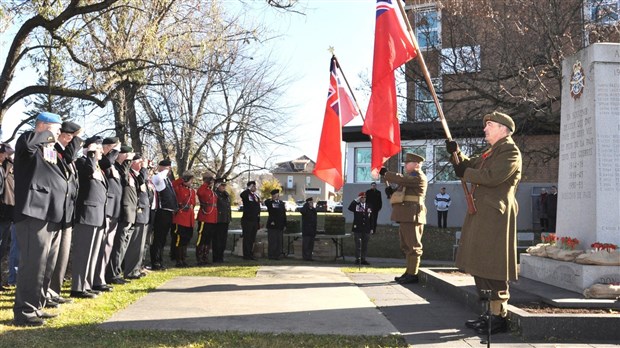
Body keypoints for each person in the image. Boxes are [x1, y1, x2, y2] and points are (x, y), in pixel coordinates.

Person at [446, 110, 522, 335]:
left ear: (502, 129)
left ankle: (499, 316)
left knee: (493, 264)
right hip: (482, 214)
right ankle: (490, 312)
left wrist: (465, 171)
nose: (485, 129)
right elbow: (472, 165)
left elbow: (491, 177)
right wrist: (456, 152)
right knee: (480, 263)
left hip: (495, 217)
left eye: (489, 125)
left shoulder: (510, 152)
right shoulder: (493, 152)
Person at [12, 112, 67, 326]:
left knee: (45, 264)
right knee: (32, 263)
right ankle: (24, 312)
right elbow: (28, 145)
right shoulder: (28, 140)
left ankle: (36, 306)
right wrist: (48, 134)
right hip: (33, 212)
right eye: (57, 127)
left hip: (51, 212)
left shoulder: (48, 150)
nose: (59, 132)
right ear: (43, 125)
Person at [45, 121, 81, 306]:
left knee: (61, 255)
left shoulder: (66, 154)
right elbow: (67, 158)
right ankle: (46, 292)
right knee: (51, 256)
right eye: (69, 136)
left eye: (72, 137)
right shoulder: (54, 151)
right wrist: (76, 142)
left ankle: (54, 290)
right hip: (55, 210)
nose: (71, 140)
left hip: (67, 211)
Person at [379, 153, 427, 285]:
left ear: (416, 164)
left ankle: (413, 274)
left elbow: (401, 179)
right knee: (406, 245)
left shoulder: (418, 176)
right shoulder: (409, 178)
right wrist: (392, 192)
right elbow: (402, 193)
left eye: (408, 162)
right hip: (406, 215)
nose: (405, 164)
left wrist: (386, 173)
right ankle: (409, 271)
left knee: (413, 246)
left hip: (413, 215)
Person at [71, 136, 108, 299]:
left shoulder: (98, 166)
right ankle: (77, 287)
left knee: (92, 253)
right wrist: (91, 155)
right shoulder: (82, 163)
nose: (101, 153)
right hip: (86, 213)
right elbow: (87, 173)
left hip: (98, 214)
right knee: (83, 252)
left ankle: (86, 284)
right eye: (98, 149)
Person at [107, 145, 138, 285]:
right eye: (126, 155)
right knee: (118, 244)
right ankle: (112, 273)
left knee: (123, 244)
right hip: (123, 209)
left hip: (130, 210)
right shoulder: (117, 167)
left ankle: (117, 271)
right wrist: (126, 162)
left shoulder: (127, 170)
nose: (128, 158)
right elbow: (124, 180)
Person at [123, 154, 150, 279]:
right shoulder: (131, 174)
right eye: (139, 161)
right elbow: (140, 183)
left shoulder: (139, 175)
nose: (141, 164)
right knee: (135, 243)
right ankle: (130, 270)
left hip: (144, 211)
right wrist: (144, 169)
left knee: (140, 244)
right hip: (137, 211)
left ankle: (137, 268)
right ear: (132, 162)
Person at [150, 159, 177, 270]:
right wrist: (164, 171)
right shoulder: (159, 178)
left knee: (163, 239)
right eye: (166, 167)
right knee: (158, 238)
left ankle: (159, 260)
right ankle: (155, 262)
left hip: (169, 212)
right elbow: (157, 179)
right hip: (162, 211)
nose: (169, 170)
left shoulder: (167, 180)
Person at [171, 171, 196, 267]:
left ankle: (183, 258)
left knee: (186, 240)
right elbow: (173, 185)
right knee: (179, 240)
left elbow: (193, 204)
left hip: (189, 219)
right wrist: (182, 179)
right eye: (190, 180)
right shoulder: (179, 188)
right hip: (180, 217)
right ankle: (178, 259)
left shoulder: (192, 191)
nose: (191, 182)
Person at [0, 144, 15, 290]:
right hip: (2, 212)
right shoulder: (3, 167)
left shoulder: (9, 165)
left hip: (7, 213)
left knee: (2, 248)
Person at [195, 174, 217, 265]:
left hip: (212, 218)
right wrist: (205, 183)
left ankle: (205, 257)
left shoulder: (211, 191)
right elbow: (200, 193)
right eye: (210, 181)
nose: (212, 183)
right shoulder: (203, 189)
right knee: (202, 238)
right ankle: (199, 257)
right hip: (205, 217)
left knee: (208, 239)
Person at [348, 192, 372, 265]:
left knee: (365, 245)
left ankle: (363, 259)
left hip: (366, 229)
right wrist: (356, 200)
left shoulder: (369, 206)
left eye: (364, 197)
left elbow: (371, 218)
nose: (363, 199)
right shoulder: (356, 205)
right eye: (362, 197)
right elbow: (350, 207)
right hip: (358, 228)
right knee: (358, 244)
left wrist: (371, 228)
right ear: (359, 198)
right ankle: (358, 259)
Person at [239, 181, 261, 260]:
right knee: (247, 238)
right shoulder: (246, 194)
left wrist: (258, 221)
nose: (255, 188)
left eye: (255, 186)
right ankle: (246, 255)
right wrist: (248, 189)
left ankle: (250, 253)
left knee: (252, 238)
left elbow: (257, 207)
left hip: (255, 220)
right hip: (247, 220)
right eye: (253, 186)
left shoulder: (256, 196)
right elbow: (242, 195)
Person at [264, 189, 287, 260]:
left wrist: (285, 224)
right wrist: (272, 199)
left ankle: (278, 254)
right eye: (275, 195)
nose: (277, 196)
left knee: (279, 241)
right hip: (272, 224)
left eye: (277, 194)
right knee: (272, 241)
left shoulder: (281, 203)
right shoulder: (270, 202)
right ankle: (271, 255)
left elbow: (283, 214)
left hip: (280, 225)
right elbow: (266, 202)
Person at [212, 178, 231, 263]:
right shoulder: (215, 194)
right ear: (217, 185)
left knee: (223, 239)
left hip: (225, 219)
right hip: (218, 220)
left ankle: (221, 256)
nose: (224, 187)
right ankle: (216, 257)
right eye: (222, 185)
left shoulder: (226, 195)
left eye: (224, 185)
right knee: (217, 239)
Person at [299, 197, 317, 261]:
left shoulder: (313, 210)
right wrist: (306, 205)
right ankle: (305, 257)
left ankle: (309, 256)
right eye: (310, 202)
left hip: (312, 230)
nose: (311, 203)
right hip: (306, 230)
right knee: (306, 244)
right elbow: (302, 211)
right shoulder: (305, 209)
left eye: (312, 202)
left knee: (311, 245)